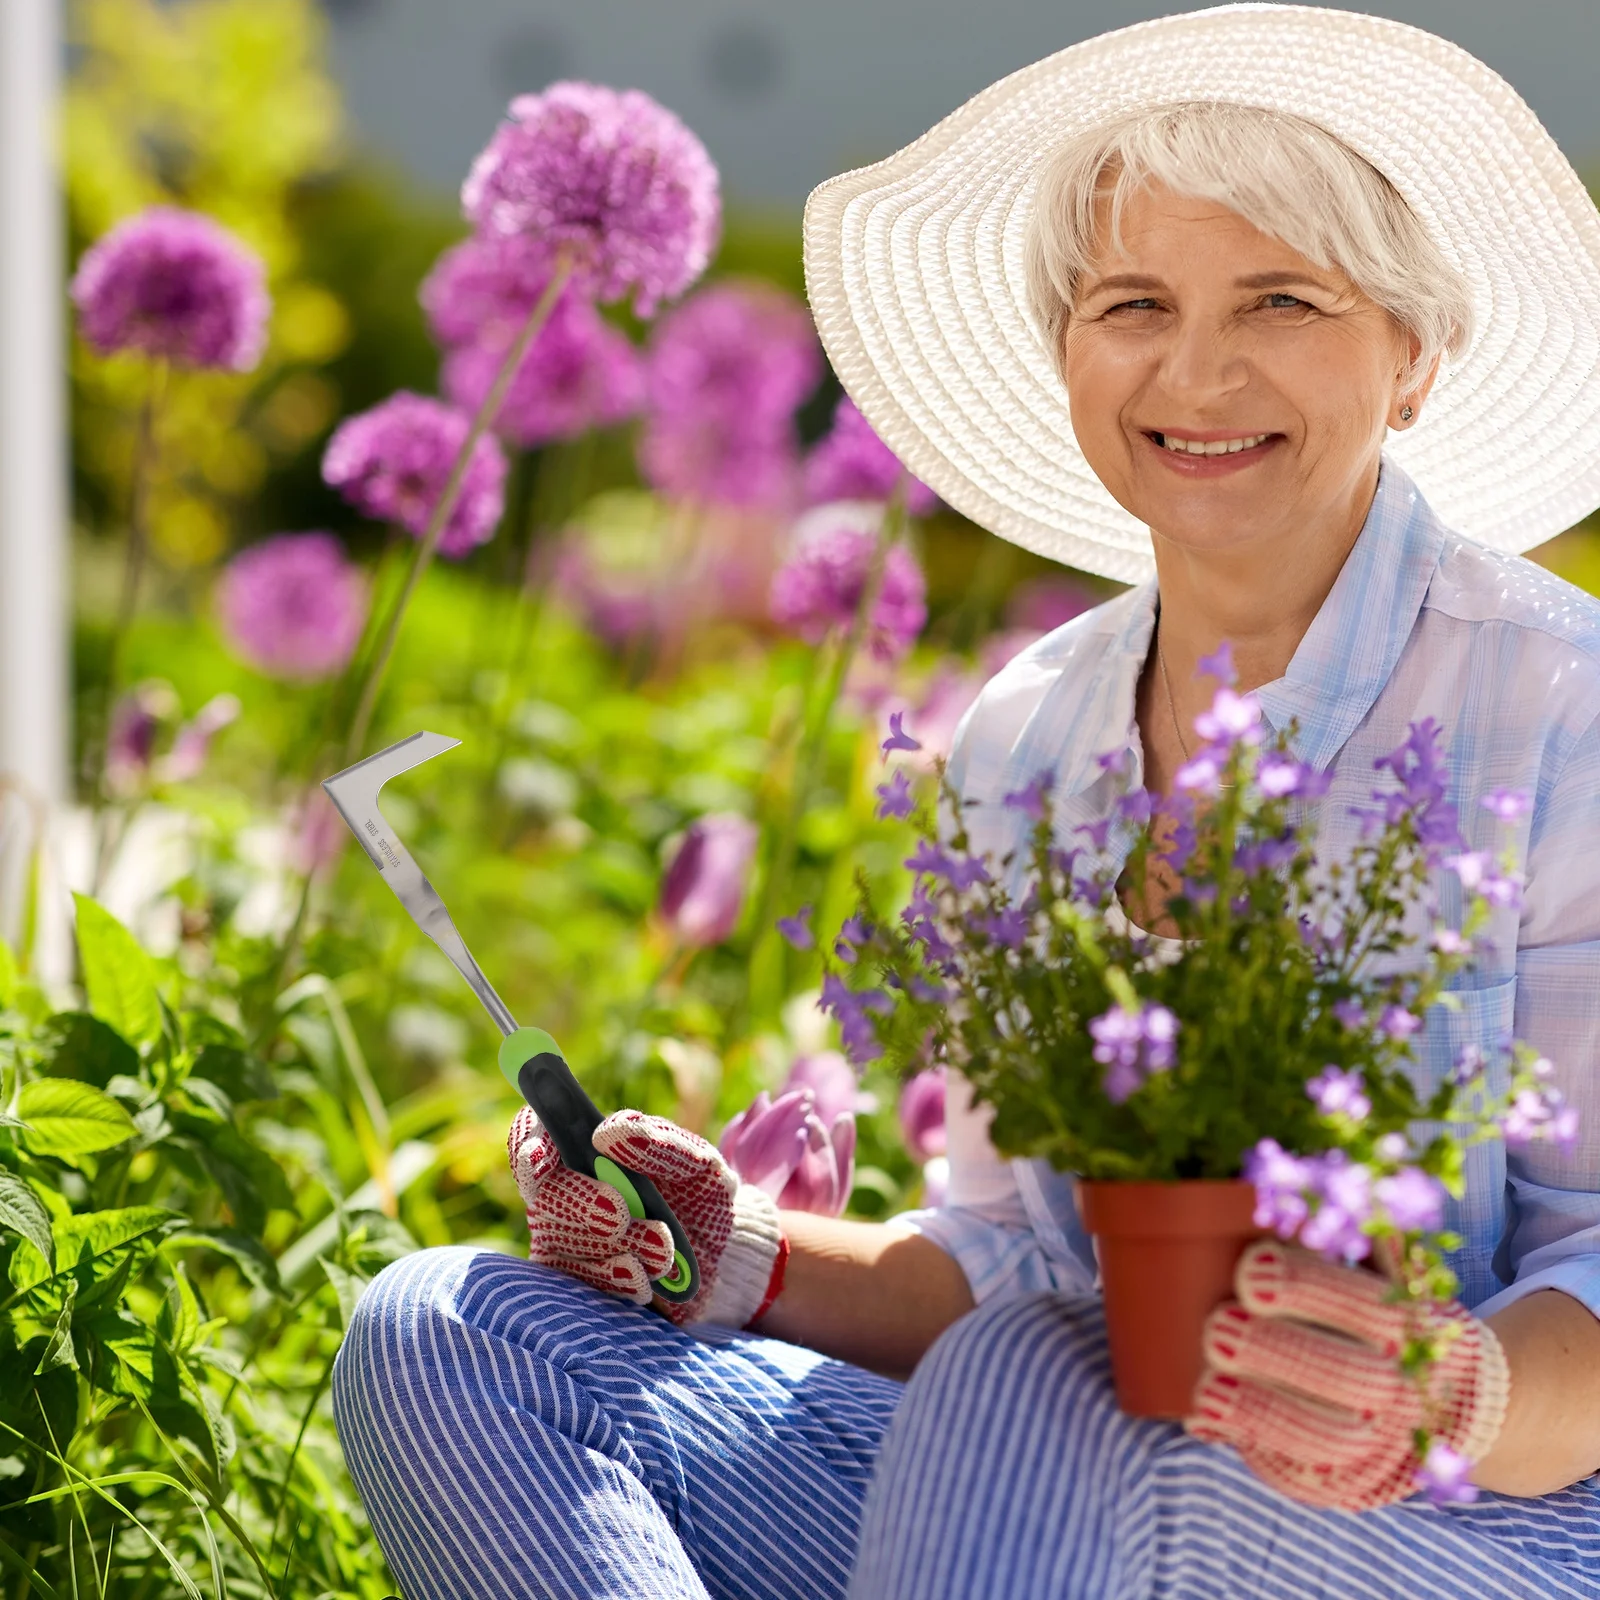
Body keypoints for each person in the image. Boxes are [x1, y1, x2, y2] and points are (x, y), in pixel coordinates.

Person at [332, 8, 1600, 1596]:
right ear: (1069, 350)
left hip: (1476, 1527)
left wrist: (1453, 1390)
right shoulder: (1028, 733)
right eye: (1133, 302)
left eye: (1283, 299)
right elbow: (1009, 1268)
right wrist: (733, 1252)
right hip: (1037, 1501)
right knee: (451, 1338)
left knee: (1036, 1392)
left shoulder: (1563, 708)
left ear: (1412, 353)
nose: (1197, 370)